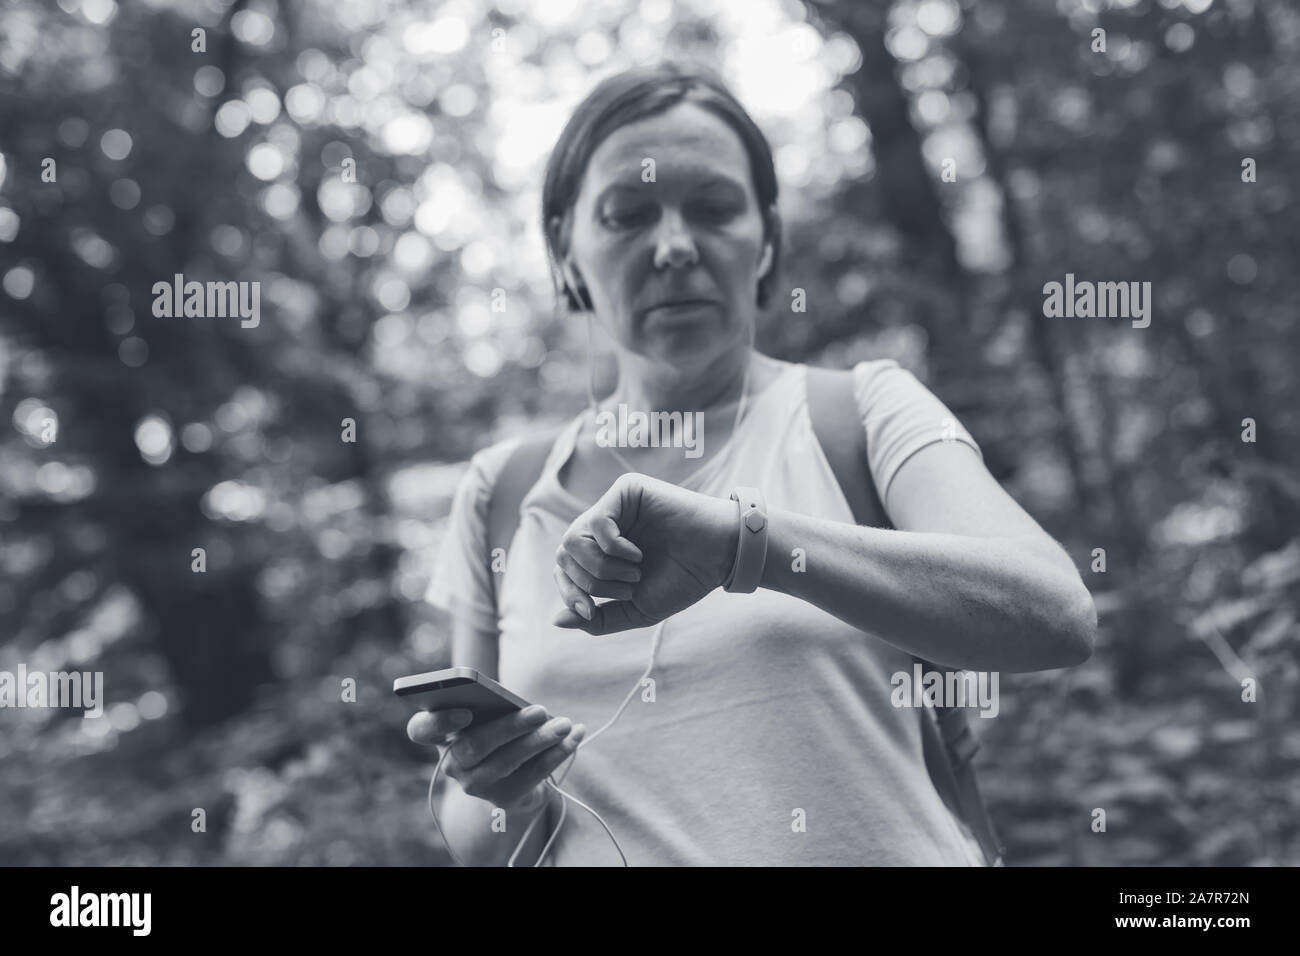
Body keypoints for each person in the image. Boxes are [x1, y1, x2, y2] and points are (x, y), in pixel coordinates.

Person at [408, 62, 1097, 866]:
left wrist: (752, 547)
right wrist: (508, 791)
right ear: (566, 246)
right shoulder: (501, 492)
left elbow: (1057, 615)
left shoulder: (864, 412)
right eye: (627, 214)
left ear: (766, 237)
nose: (673, 246)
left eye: (714, 208)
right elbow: (475, 838)